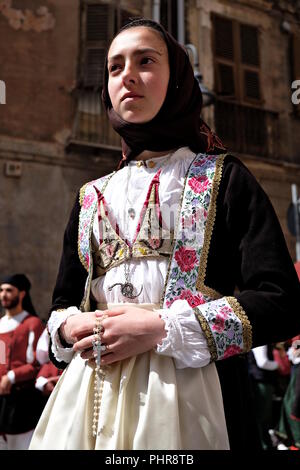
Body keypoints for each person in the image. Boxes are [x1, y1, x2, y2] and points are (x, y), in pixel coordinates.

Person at [29, 18, 300, 450]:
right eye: (115, 67)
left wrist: (159, 327)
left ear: (177, 79)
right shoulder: (90, 196)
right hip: (92, 403)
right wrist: (70, 328)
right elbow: (63, 302)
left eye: (146, 61)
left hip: (199, 400)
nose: (128, 76)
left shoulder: (224, 177)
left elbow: (282, 302)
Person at [0, 274, 45, 450]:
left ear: (22, 294)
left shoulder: (32, 324)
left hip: (23, 400)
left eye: (9, 290)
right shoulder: (1, 324)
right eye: (1, 290)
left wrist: (11, 376)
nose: (4, 295)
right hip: (2, 399)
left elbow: (37, 363)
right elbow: (2, 360)